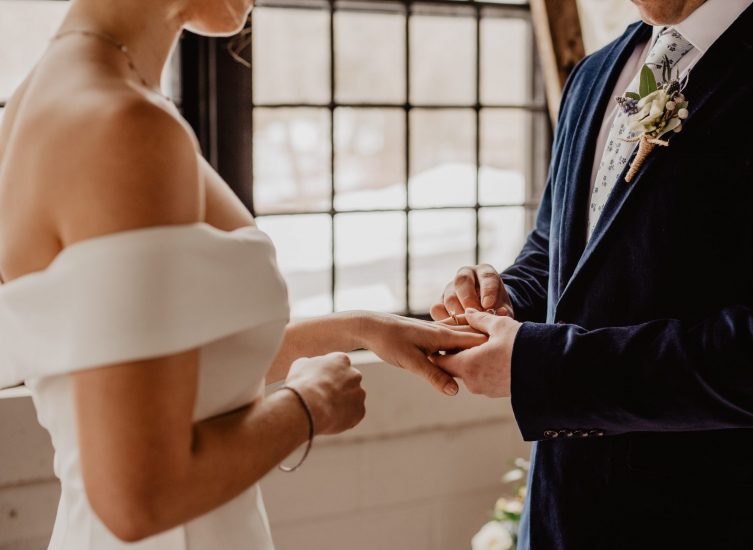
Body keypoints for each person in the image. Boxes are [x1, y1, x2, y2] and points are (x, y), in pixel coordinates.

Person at [0, 0, 485, 548]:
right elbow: (139, 498)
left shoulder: (50, 99)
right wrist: (310, 405)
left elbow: (175, 370)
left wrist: (362, 329)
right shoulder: (121, 126)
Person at [431, 0, 753, 548]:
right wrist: (505, 298)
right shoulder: (595, 71)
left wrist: (538, 367)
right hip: (559, 517)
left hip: (720, 524)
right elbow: (560, 249)